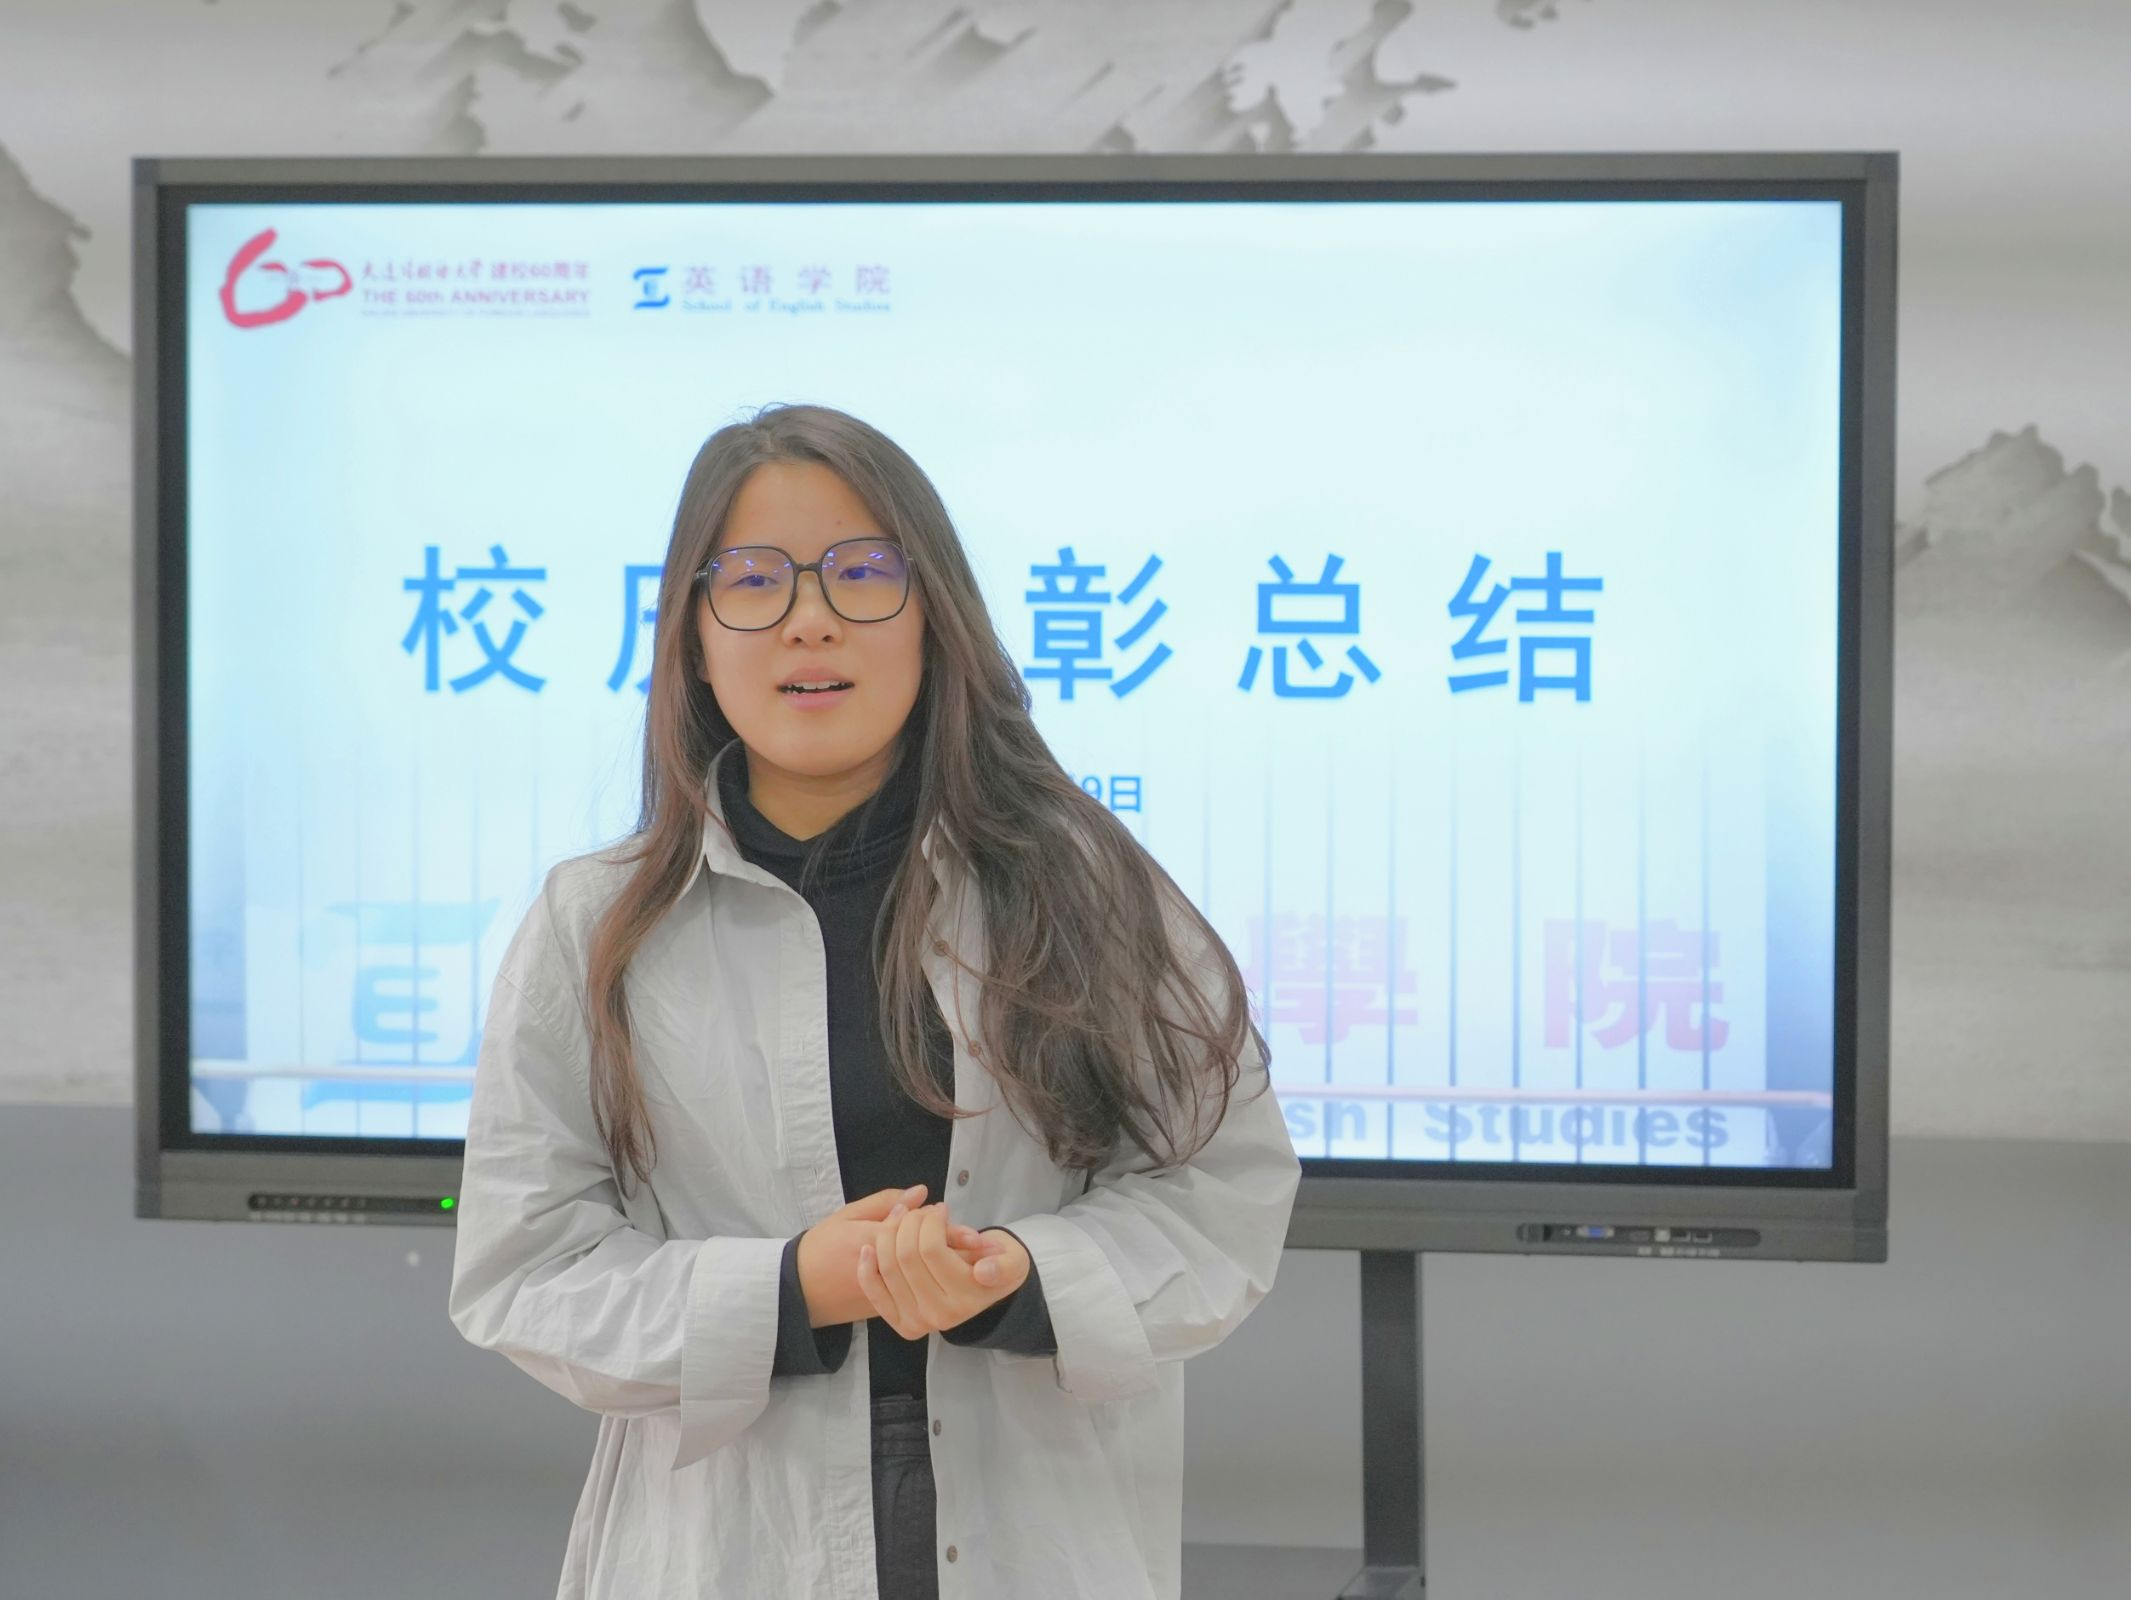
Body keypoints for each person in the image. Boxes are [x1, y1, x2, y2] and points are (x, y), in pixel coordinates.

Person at [447, 402, 1301, 1599]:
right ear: (692, 638)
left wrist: (1014, 1274)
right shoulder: (595, 925)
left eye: (860, 572)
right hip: (729, 1545)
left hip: (1035, 1533)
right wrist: (794, 1287)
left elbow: (1219, 1191)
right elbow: (525, 1268)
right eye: (754, 580)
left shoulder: (1088, 886)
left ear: (934, 619)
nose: (809, 617)